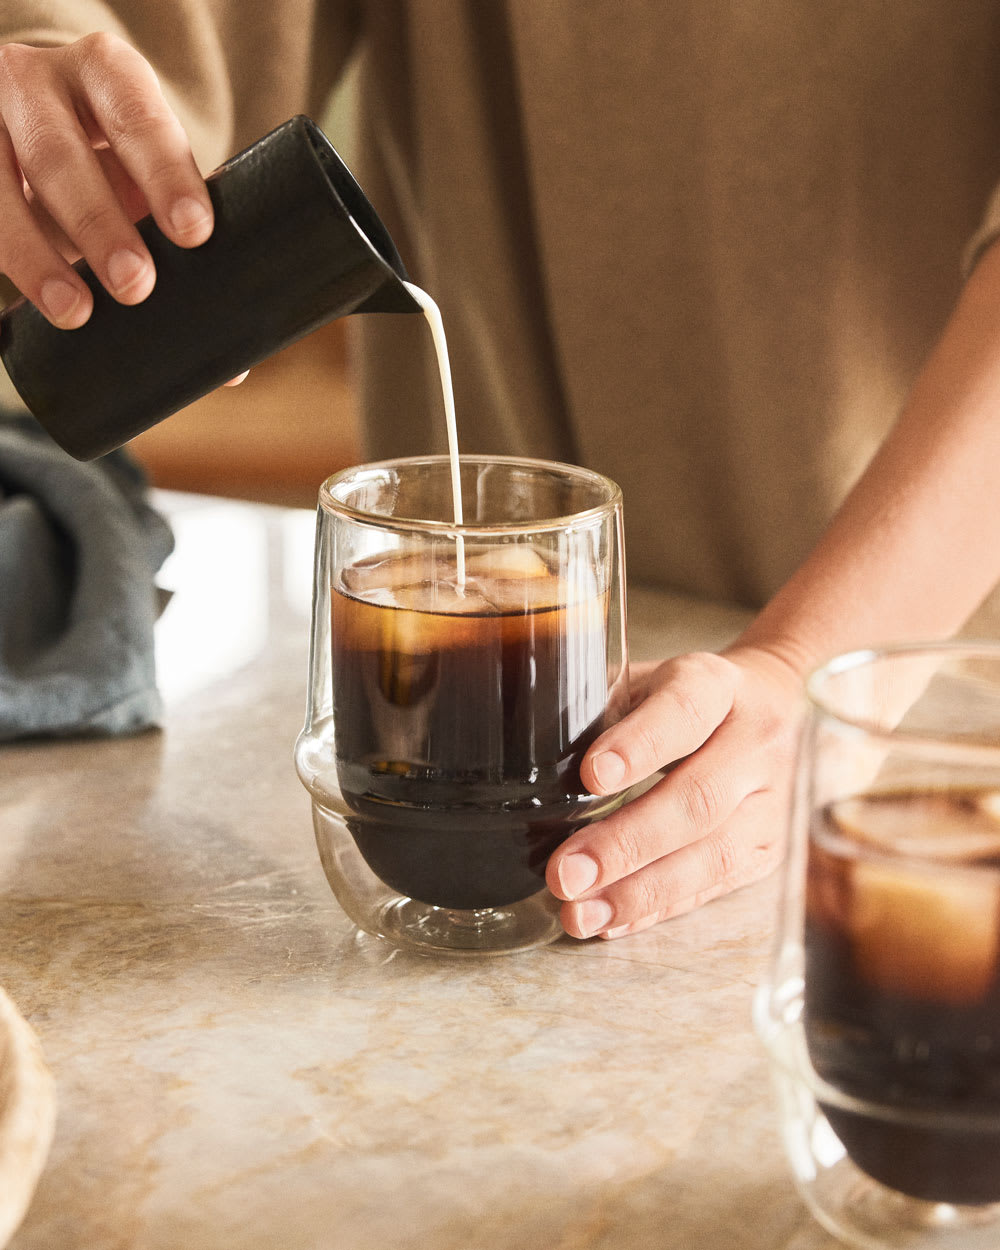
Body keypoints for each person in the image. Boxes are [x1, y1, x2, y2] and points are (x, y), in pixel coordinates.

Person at [3, 3, 1000, 941]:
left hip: (934, 689)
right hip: (485, 648)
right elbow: (146, 46)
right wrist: (47, 103)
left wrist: (814, 658)